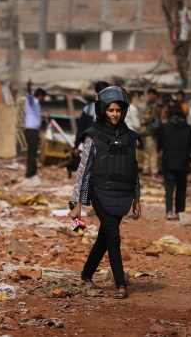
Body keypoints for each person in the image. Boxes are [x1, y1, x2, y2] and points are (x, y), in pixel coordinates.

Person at [69, 86, 141, 300]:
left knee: (105, 236)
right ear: (102, 110)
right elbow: (83, 170)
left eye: (118, 110)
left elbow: (133, 169)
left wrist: (137, 198)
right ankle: (120, 284)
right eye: (110, 110)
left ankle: (86, 274)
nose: (114, 114)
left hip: (123, 194)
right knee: (114, 236)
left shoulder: (129, 137)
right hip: (99, 192)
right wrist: (77, 203)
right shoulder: (94, 135)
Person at [158, 107, 191, 219]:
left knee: (169, 188)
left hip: (168, 162)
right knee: (181, 189)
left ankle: (169, 211)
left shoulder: (164, 127)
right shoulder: (188, 128)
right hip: (183, 163)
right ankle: (180, 212)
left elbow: (160, 143)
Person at [74, 81, 110, 152]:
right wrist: (76, 145)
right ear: (97, 92)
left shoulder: (112, 109)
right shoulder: (88, 108)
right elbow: (81, 128)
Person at [24, 80, 47, 183]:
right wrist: (29, 86)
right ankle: (30, 173)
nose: (44, 99)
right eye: (43, 97)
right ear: (40, 96)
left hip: (34, 131)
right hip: (30, 130)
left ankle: (33, 172)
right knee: (31, 153)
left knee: (33, 152)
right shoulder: (32, 102)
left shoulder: (37, 105)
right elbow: (29, 94)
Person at [140, 88, 161, 175]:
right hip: (145, 131)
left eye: (152, 94)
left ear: (155, 95)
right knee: (146, 151)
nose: (150, 96)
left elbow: (156, 120)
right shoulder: (147, 105)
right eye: (149, 94)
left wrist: (146, 121)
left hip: (151, 132)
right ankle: (146, 169)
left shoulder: (157, 106)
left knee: (153, 152)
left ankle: (154, 170)